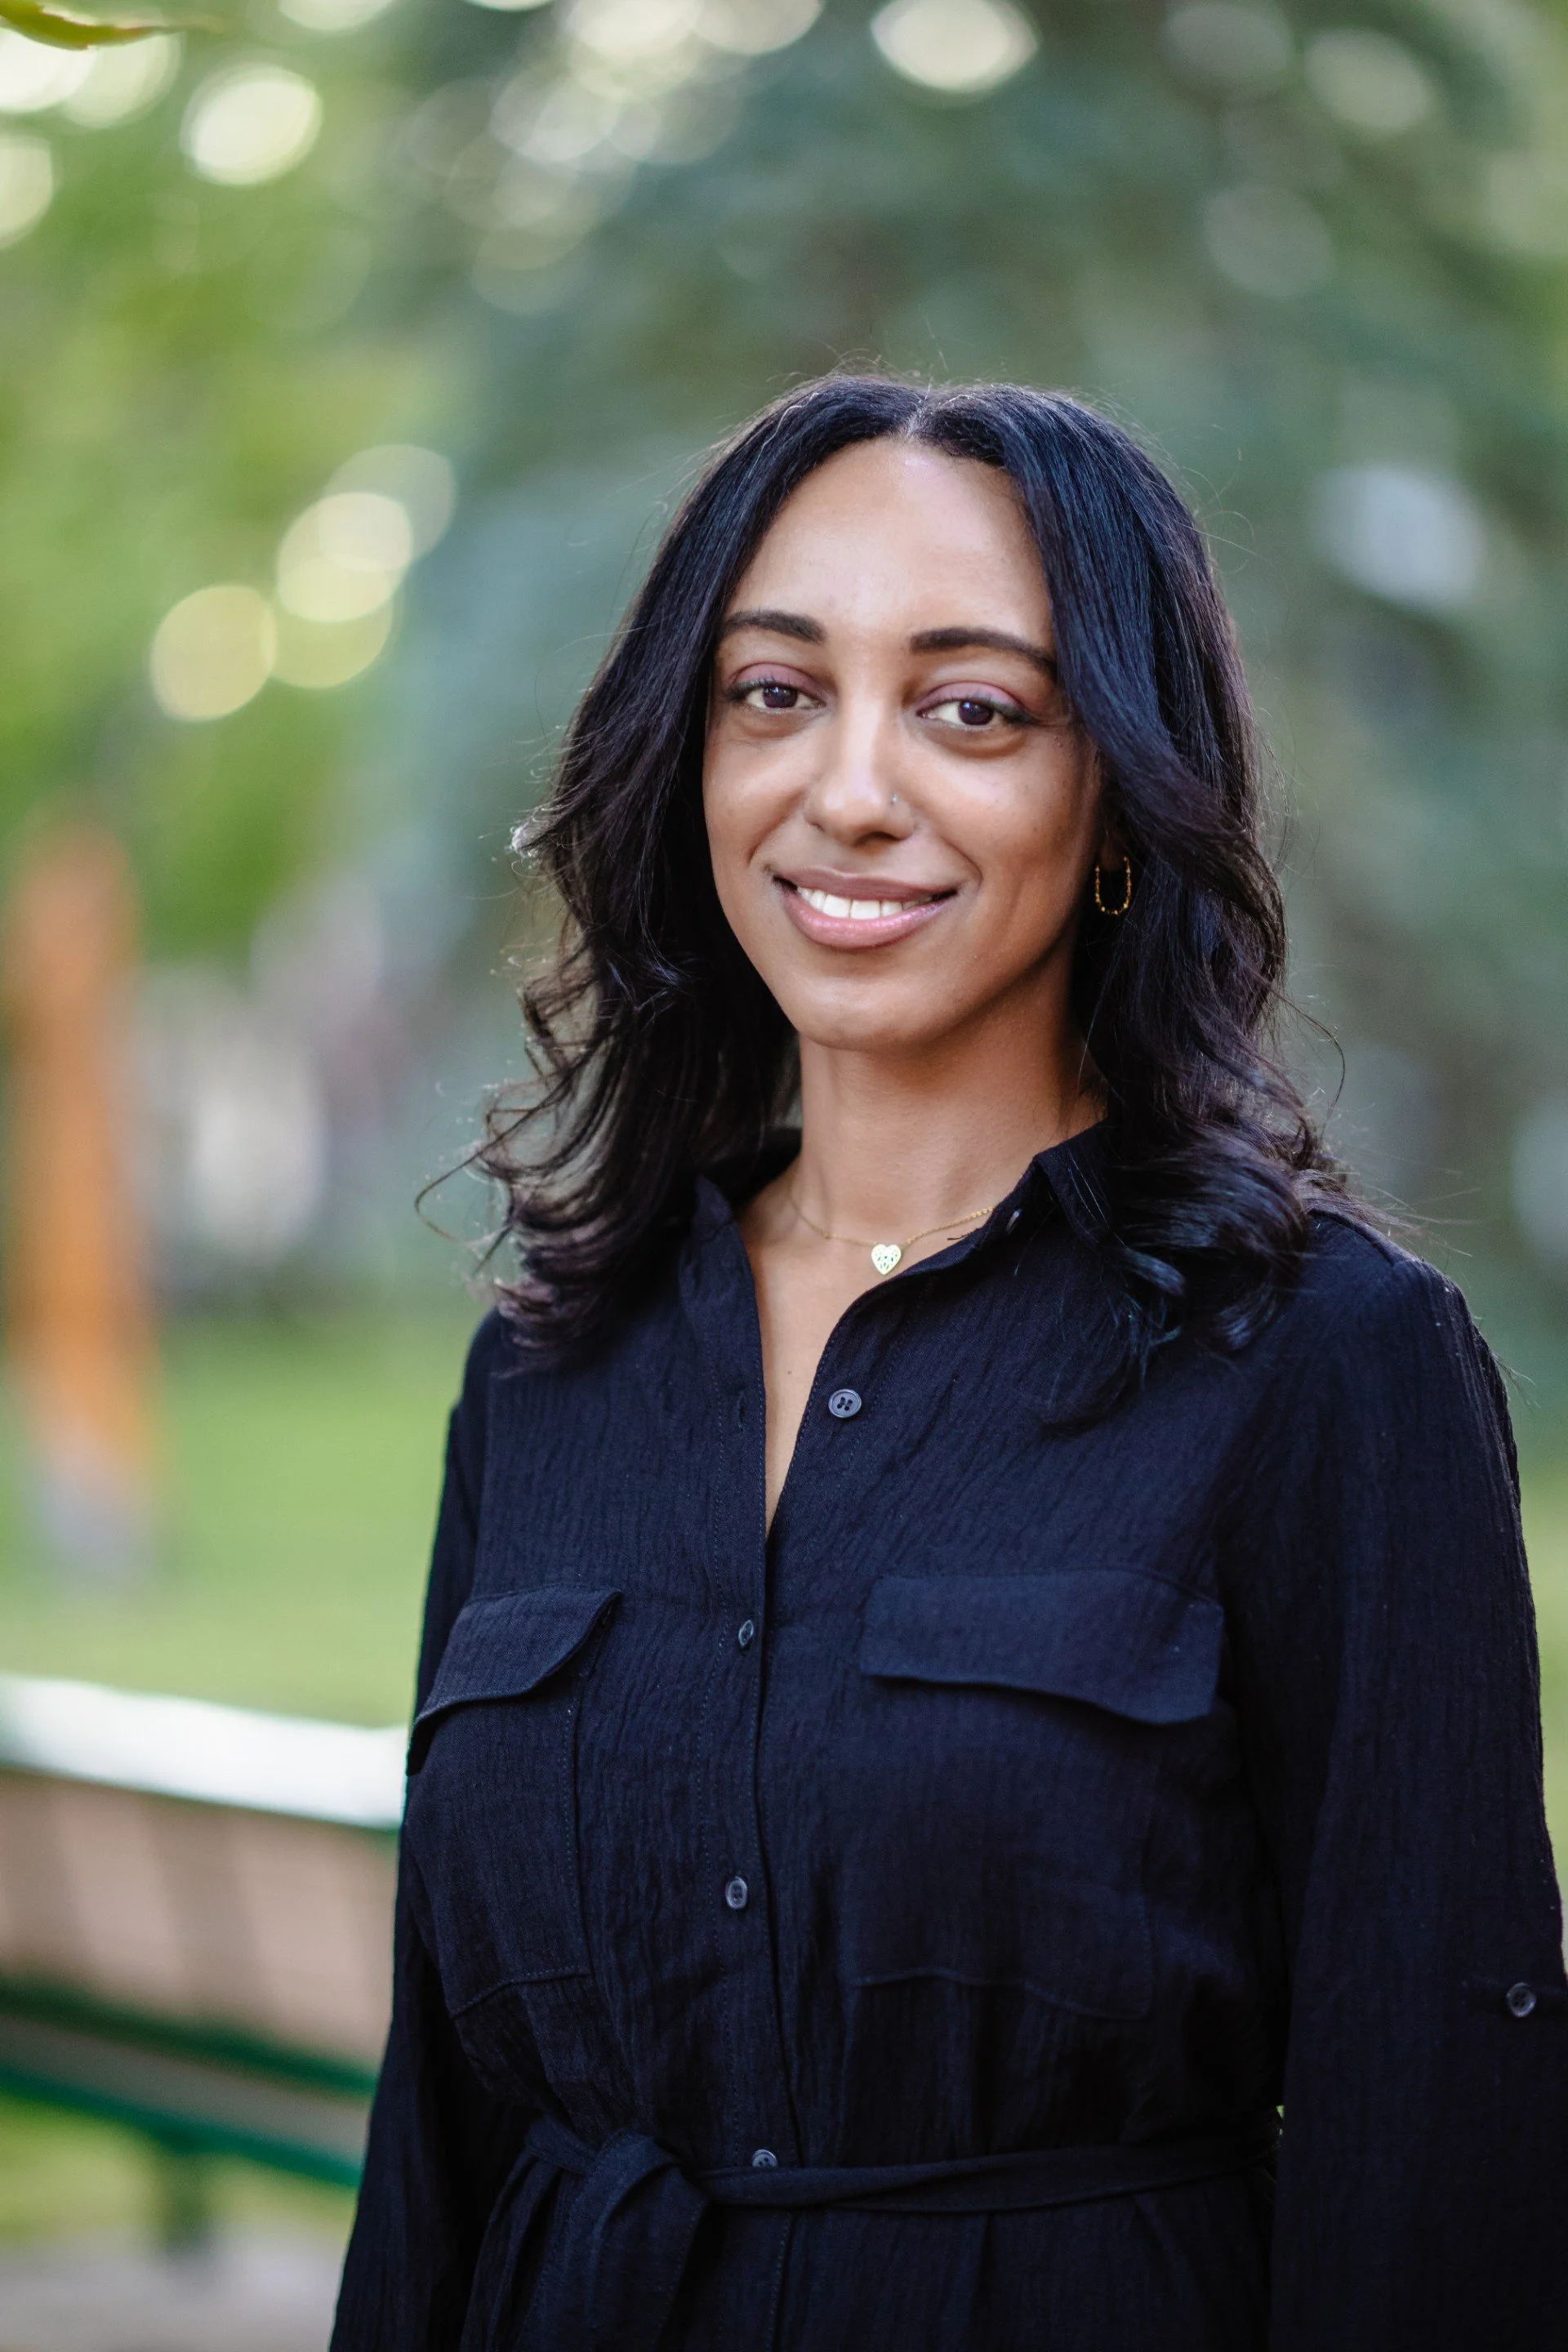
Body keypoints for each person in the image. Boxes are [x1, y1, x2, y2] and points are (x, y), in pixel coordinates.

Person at [331, 376, 1567, 2352]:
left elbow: (1434, 2125)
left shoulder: (1330, 1365)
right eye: (775, 693)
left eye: (973, 708)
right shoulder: (552, 1369)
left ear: (1119, 804)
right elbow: (442, 2121)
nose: (852, 791)